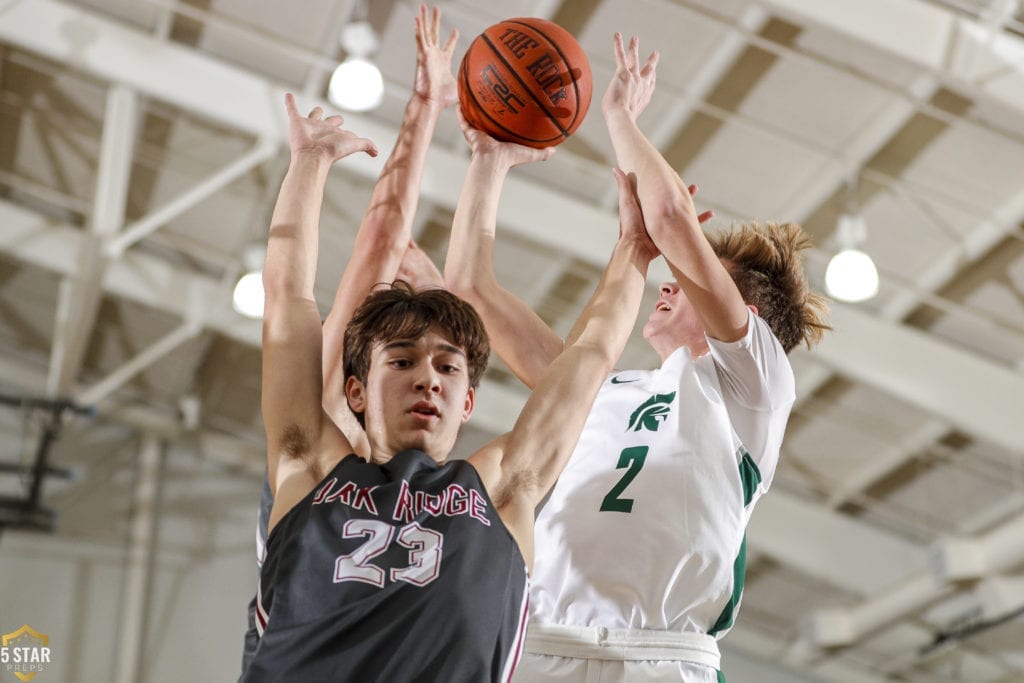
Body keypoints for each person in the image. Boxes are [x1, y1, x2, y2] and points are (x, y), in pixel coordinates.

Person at [241, 59, 662, 683]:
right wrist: (308, 163)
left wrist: (634, 250)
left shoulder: (501, 488)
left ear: (467, 402)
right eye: (403, 360)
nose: (429, 378)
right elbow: (289, 301)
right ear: (354, 390)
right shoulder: (309, 465)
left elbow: (588, 359)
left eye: (447, 366)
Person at [444, 33, 830, 682]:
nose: (670, 281)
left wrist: (620, 118)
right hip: (539, 644)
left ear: (750, 318)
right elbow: (468, 291)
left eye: (699, 277)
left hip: (661, 658)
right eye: (672, 275)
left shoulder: (755, 389)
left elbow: (674, 223)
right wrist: (488, 158)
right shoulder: (606, 387)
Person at [240, 4, 453, 674]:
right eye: (402, 352)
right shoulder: (328, 415)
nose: (428, 373)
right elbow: (313, 281)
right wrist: (422, 107)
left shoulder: (436, 457)